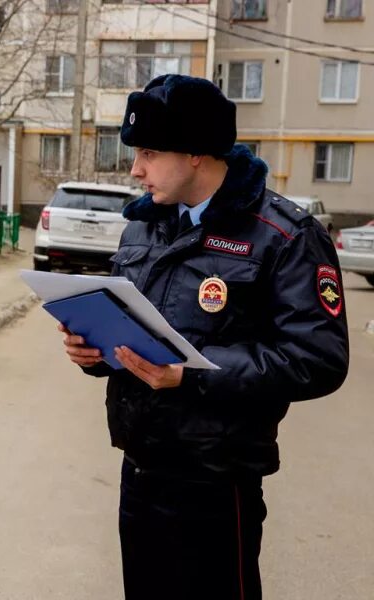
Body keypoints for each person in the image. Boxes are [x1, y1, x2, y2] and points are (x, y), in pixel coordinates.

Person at [60, 75, 349, 599]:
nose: (135, 169)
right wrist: (94, 352)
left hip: (217, 483)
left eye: (149, 151)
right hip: (141, 470)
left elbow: (319, 358)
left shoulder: (284, 235)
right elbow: (137, 328)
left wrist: (192, 375)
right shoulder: (144, 226)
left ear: (196, 152)